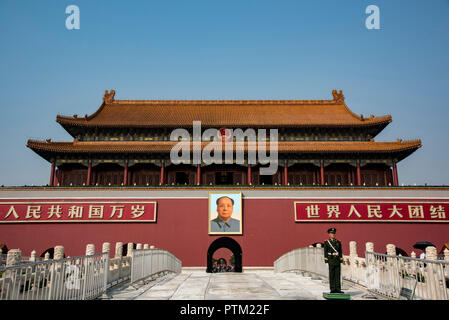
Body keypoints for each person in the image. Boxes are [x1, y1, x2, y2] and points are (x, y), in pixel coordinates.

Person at [323, 227, 344, 294]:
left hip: (337, 260)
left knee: (337, 275)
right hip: (331, 260)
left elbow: (340, 251)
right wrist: (326, 261)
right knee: (332, 275)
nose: (333, 235)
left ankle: (338, 289)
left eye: (334, 233)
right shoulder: (326, 242)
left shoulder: (338, 242)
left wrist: (341, 259)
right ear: (329, 234)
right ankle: (332, 289)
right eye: (331, 233)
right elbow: (325, 252)